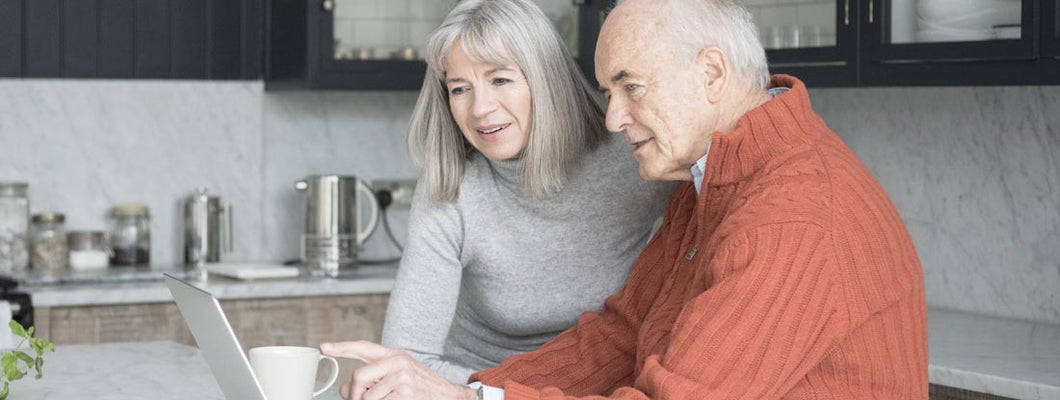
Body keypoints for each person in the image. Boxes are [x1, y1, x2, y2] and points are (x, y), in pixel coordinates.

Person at [322, 0, 929, 398]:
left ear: (712, 74)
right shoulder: (709, 183)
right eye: (609, 89)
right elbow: (621, 334)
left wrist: (467, 398)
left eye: (631, 87)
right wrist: (469, 390)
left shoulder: (791, 218)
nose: (612, 118)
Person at [376, 0, 675, 386]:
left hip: (604, 383)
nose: (480, 109)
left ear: (545, 78)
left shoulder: (629, 152)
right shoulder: (452, 187)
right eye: (460, 89)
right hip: (478, 384)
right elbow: (407, 361)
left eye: (500, 80)